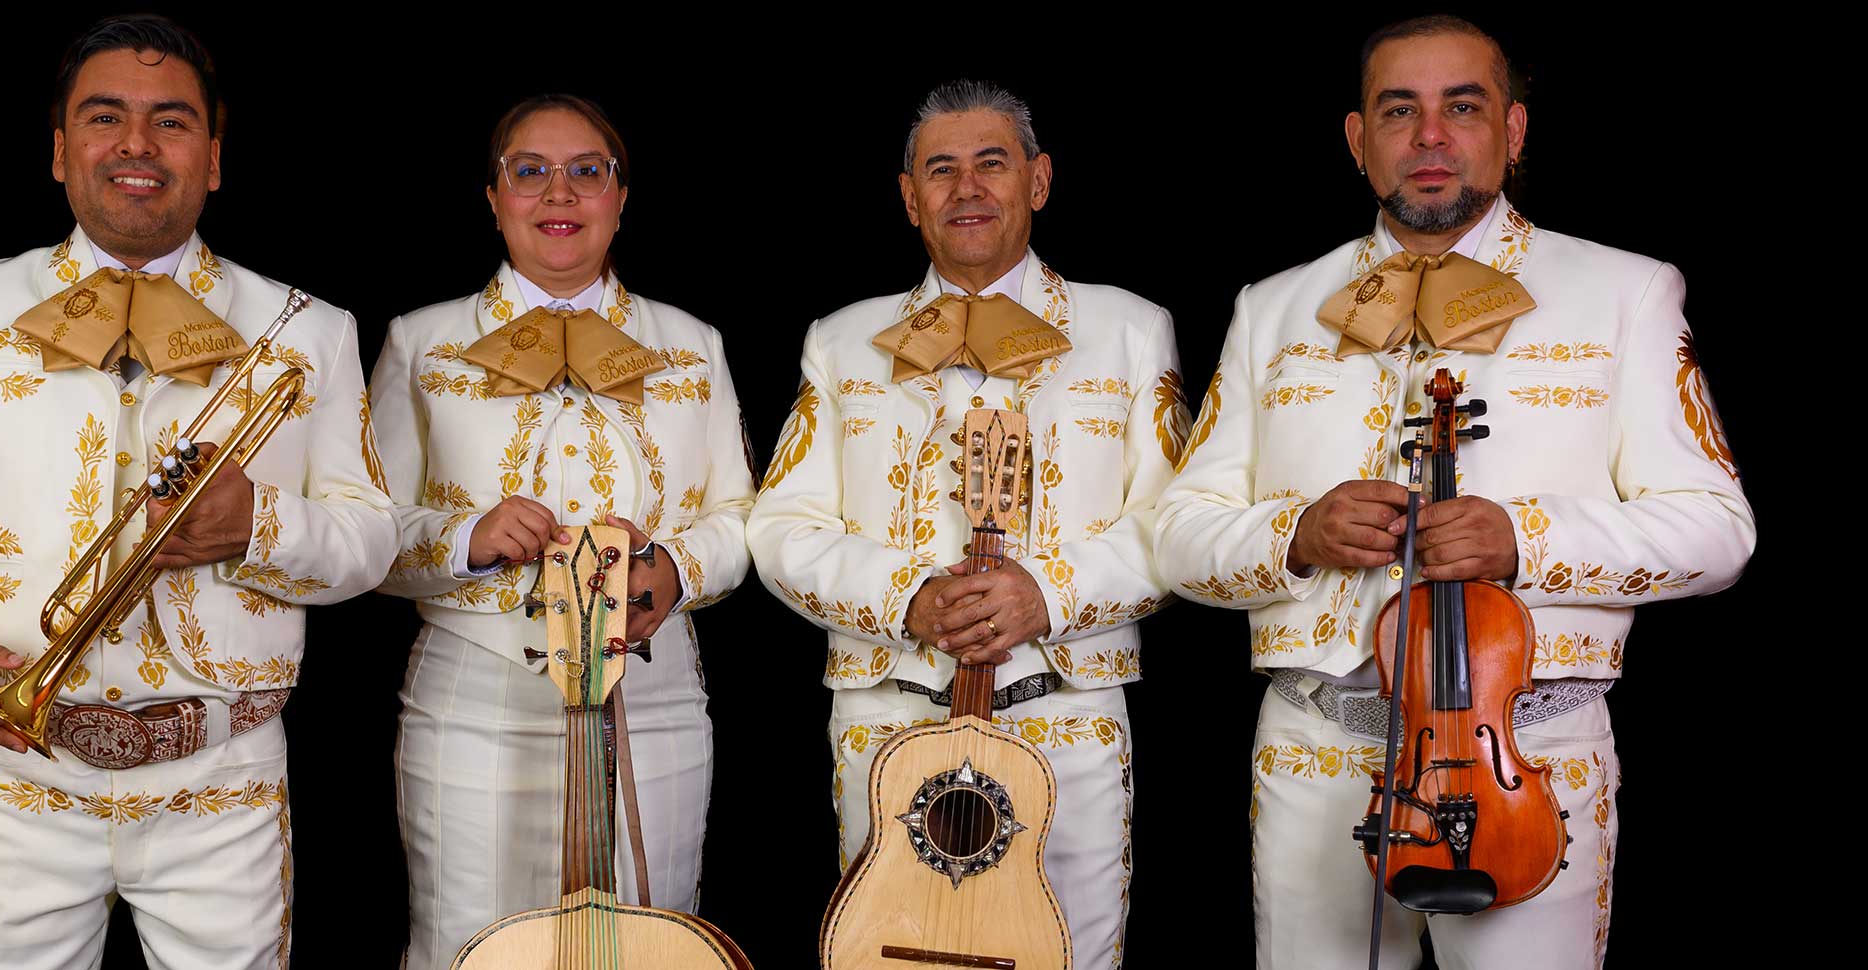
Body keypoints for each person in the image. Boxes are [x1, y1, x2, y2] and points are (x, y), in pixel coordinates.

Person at [1151, 16, 1756, 969]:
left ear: (1513, 131)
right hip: (1318, 755)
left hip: (1526, 759)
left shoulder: (1624, 291)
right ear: (1360, 141)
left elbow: (1720, 531)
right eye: (1401, 110)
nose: (1430, 137)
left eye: (1461, 107)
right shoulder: (1272, 307)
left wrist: (1524, 542)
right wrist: (1295, 533)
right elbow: (1179, 538)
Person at [0, 14, 396, 967]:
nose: (137, 144)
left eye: (171, 121)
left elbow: (372, 540)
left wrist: (256, 525)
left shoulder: (312, 331)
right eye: (106, 117)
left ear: (213, 158)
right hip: (19, 770)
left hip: (220, 781)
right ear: (60, 152)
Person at [745, 80, 1181, 969]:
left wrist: (1046, 594)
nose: (967, 188)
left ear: (1039, 181)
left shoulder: (1130, 328)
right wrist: (907, 596)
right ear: (910, 199)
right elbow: (779, 529)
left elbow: (1176, 527)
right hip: (888, 721)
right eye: (940, 170)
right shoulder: (842, 339)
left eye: (993, 163)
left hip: (1069, 717)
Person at [367, 93, 756, 964]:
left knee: (648, 946)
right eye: (530, 172)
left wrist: (673, 567)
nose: (560, 195)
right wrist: (470, 535)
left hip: (652, 702)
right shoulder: (422, 342)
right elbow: (366, 532)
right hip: (477, 704)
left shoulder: (691, 344)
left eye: (588, 173)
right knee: (468, 943)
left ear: (622, 198)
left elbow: (740, 519)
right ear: (495, 196)